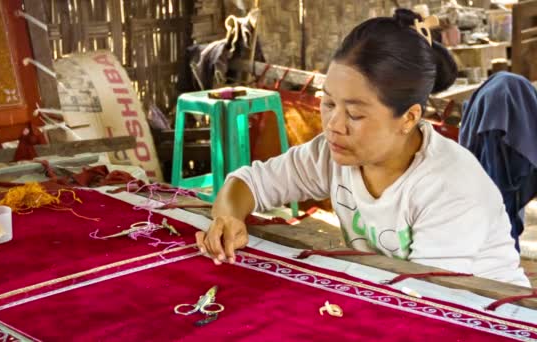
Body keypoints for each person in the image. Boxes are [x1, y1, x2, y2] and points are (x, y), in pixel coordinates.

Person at [195, 8, 530, 287]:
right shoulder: (331, 154)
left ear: (408, 118)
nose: (334, 125)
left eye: (355, 113)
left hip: (483, 316)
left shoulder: (449, 186)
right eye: (328, 104)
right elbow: (247, 182)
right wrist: (227, 217)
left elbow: (425, 299)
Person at [460, 71, 537, 252]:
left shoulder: (493, 99)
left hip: (491, 179)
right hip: (503, 173)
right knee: (501, 221)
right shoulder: (515, 101)